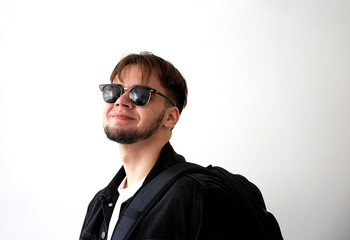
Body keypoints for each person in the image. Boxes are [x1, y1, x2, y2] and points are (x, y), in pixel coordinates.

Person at [80, 52, 277, 240]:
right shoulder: (99, 204)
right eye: (113, 91)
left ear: (170, 117)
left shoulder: (200, 197)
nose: (120, 101)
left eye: (139, 94)